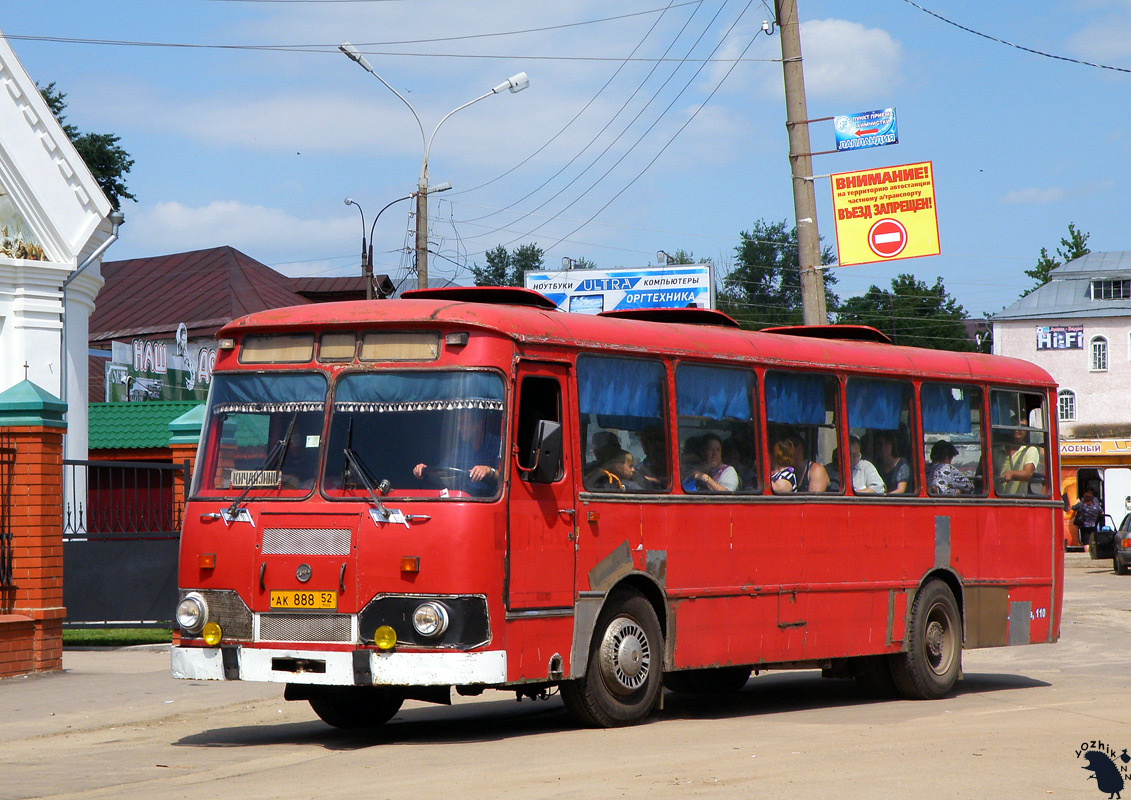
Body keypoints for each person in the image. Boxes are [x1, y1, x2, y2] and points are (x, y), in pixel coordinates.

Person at [413, 412, 501, 495]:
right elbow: (442, 470)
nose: (458, 428)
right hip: (464, 500)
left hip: (489, 503)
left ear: (478, 424)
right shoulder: (461, 449)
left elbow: (505, 478)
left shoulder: (498, 445)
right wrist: (424, 470)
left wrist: (489, 471)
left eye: (463, 423)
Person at [996, 428, 1040, 495]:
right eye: (1015, 425)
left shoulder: (1030, 450)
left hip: (1018, 502)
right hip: (995, 500)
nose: (1018, 429)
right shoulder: (996, 451)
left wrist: (1012, 473)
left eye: (1022, 426)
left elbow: (1027, 473)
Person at [635, 425, 670, 490]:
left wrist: (659, 481)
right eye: (642, 442)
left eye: (646, 442)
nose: (643, 445)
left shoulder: (671, 464)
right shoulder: (639, 468)